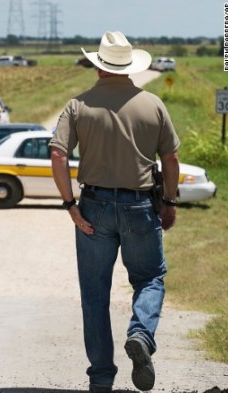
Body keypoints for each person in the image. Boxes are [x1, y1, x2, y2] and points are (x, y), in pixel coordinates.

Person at [49, 31, 179, 393]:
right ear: (129, 65)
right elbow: (170, 158)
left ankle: (102, 378)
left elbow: (58, 154)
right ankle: (140, 334)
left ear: (98, 64)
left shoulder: (78, 105)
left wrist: (70, 205)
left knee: (94, 294)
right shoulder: (152, 103)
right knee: (150, 279)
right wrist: (169, 202)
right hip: (140, 204)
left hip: (93, 206)